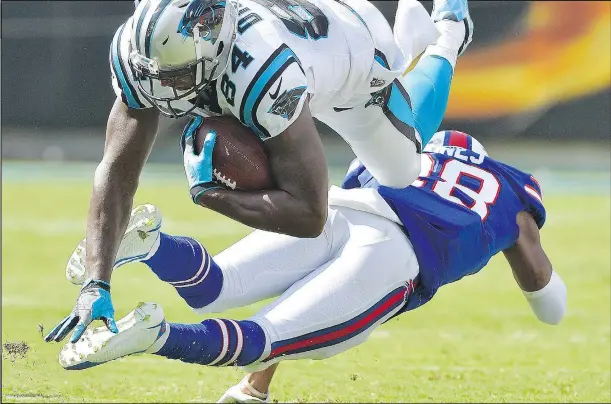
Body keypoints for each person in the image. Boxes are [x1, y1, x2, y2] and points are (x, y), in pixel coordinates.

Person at [43, 0, 474, 348]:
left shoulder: (264, 74)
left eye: (176, 78)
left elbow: (310, 215)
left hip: (353, 61)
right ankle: (414, 38)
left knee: (401, 167)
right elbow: (116, 170)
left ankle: (448, 32)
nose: (162, 92)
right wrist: (96, 284)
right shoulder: (148, 50)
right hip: (294, 45)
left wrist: (214, 195)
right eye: (153, 74)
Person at [45, 131, 566, 404]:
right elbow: (548, 304)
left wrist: (256, 389)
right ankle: (155, 337)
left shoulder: (419, 146)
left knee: (216, 287)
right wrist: (525, 242)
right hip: (396, 253)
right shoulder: (512, 197)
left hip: (343, 209)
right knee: (264, 335)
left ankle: (154, 247)